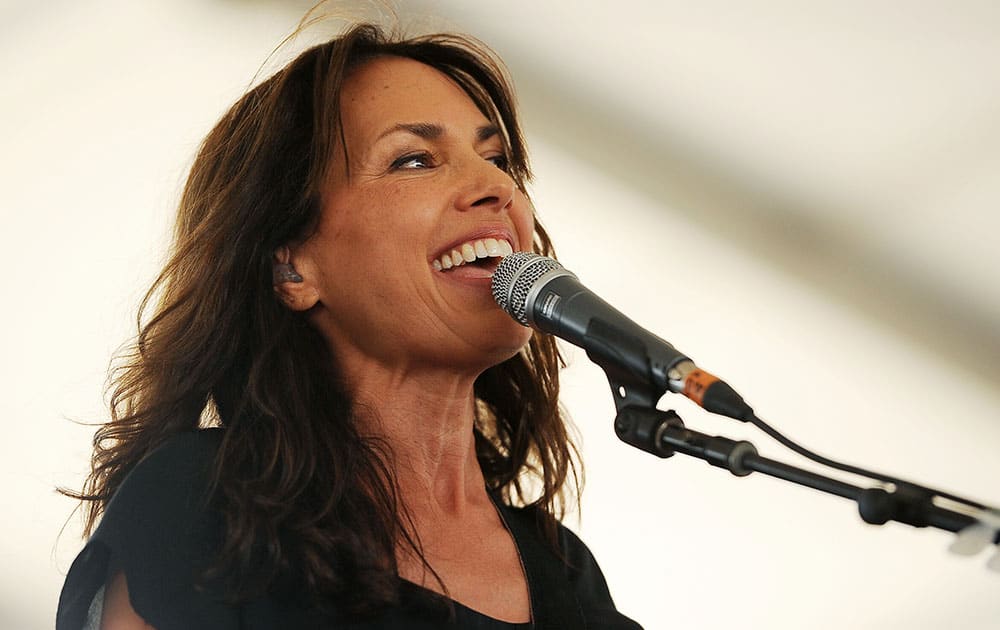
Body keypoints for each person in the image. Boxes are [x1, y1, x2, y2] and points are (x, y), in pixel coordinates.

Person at [57, 20, 643, 630]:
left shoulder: (568, 578)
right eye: (414, 160)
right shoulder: (202, 500)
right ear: (292, 269)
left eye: (498, 159)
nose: (496, 186)